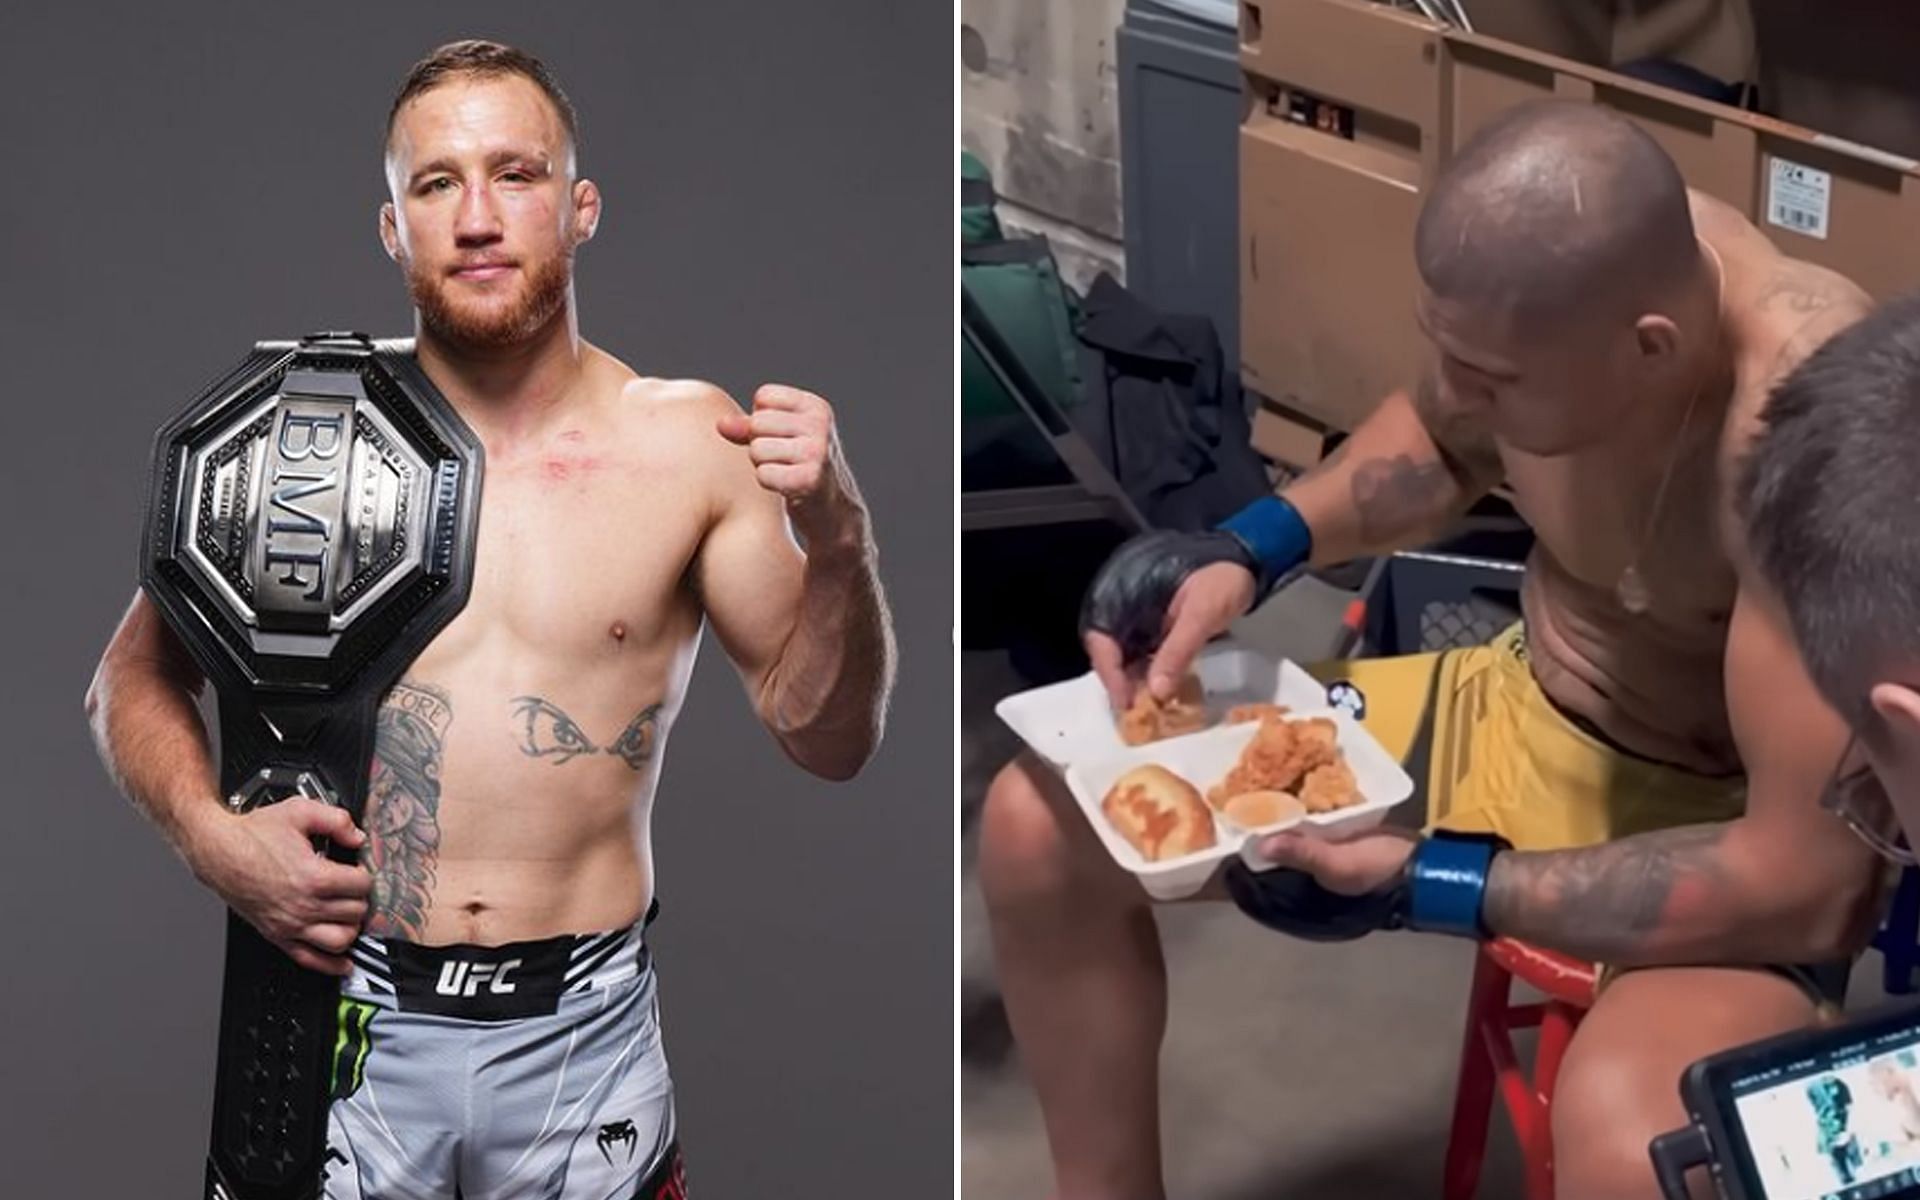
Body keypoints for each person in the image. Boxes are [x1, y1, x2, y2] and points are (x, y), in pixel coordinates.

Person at [980, 99, 1884, 1199]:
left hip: (1725, 833)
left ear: (1651, 350)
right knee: (1041, 825)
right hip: (1519, 706)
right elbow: (1438, 435)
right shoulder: (1553, 281)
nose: (1461, 394)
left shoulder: (1804, 433)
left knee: (1646, 1140)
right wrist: (1247, 547)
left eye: (1493, 382)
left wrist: (1432, 883)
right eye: (1453, 355)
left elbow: (1809, 885)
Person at [83, 39, 895, 1199]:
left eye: (514, 175)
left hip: (586, 1040)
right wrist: (214, 843)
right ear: (392, 228)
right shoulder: (299, 439)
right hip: (342, 1026)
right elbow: (129, 681)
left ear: (579, 208)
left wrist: (843, 540)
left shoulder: (684, 446)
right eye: (435, 183)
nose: (476, 217)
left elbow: (830, 739)